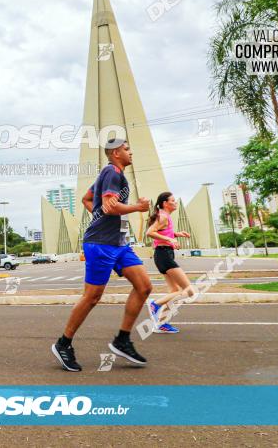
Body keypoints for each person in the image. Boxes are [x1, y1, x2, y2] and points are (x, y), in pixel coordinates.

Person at [51, 138, 151, 372]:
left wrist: (100, 216)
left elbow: (88, 199)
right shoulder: (111, 173)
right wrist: (137, 207)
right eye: (127, 149)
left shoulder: (111, 175)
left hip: (119, 243)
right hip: (100, 244)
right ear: (116, 153)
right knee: (92, 297)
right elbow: (109, 206)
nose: (131, 152)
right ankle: (63, 343)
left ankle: (122, 340)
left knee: (144, 286)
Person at [145, 192, 195, 333]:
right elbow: (150, 232)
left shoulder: (165, 216)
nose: (175, 203)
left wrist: (176, 234)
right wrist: (170, 240)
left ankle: (161, 324)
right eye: (173, 201)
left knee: (174, 291)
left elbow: (162, 232)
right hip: (164, 255)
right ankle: (155, 304)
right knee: (189, 291)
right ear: (165, 203)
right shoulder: (163, 216)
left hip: (164, 254)